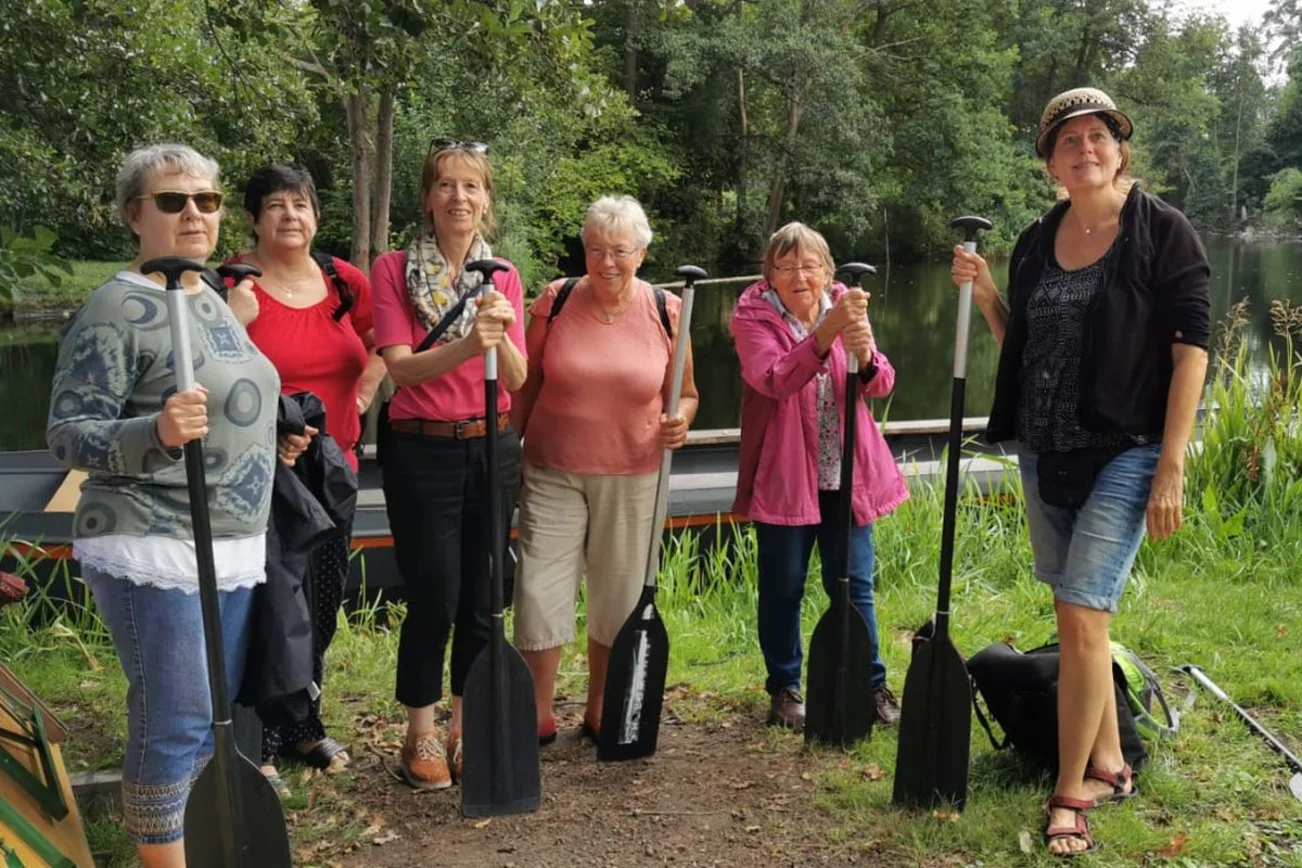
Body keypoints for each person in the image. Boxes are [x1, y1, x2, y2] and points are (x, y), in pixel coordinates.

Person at [951, 87, 1210, 857]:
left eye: (1099, 136)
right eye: (1069, 142)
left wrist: (1172, 464)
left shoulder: (1162, 232)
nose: (1086, 149)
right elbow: (1023, 344)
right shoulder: (1036, 238)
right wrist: (990, 295)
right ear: (1050, 163)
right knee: (1076, 612)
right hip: (1044, 450)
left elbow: (1192, 349)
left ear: (1120, 150)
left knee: (1082, 612)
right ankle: (1110, 760)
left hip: (1126, 450)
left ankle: (1071, 793)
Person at [46, 143, 281, 868]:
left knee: (212, 718)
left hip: (230, 542)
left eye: (207, 200)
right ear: (133, 214)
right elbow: (67, 434)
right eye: (173, 201)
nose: (193, 214)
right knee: (175, 722)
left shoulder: (205, 294)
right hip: (154, 541)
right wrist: (153, 432)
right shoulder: (116, 305)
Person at [511, 195, 698, 743]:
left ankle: (602, 709)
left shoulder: (667, 309)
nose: (607, 261)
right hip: (552, 470)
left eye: (619, 250)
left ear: (641, 253)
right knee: (539, 590)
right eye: (596, 249)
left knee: (618, 596)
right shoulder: (557, 298)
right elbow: (526, 385)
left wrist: (681, 422)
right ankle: (535, 714)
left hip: (635, 472)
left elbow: (686, 395)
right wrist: (506, 455)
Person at [370, 138, 526, 790]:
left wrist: (501, 328)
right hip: (422, 447)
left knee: (486, 592)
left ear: (486, 199)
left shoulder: (504, 275)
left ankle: (466, 725)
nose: (459, 197)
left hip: (492, 444)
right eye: (445, 185)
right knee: (435, 590)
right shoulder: (392, 269)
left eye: (471, 186)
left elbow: (518, 375)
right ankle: (419, 733)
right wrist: (468, 345)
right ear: (428, 200)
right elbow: (401, 370)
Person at [227, 163, 385, 793]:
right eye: (275, 205)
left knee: (320, 603)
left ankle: (303, 723)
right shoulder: (232, 286)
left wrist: (369, 388)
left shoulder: (344, 282)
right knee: (266, 606)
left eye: (301, 204)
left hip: (333, 467)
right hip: (260, 473)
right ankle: (255, 734)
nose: (290, 215)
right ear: (254, 218)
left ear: (316, 214)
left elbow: (383, 343)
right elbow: (213, 379)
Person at [729, 221, 908, 733]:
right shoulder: (751, 317)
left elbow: (883, 382)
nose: (798, 276)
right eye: (785, 267)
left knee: (854, 587)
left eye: (809, 265)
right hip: (785, 474)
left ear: (827, 270)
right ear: (769, 275)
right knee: (783, 585)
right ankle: (784, 688)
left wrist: (866, 351)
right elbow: (775, 379)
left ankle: (869, 685)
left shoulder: (845, 303)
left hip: (846, 472)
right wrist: (827, 334)